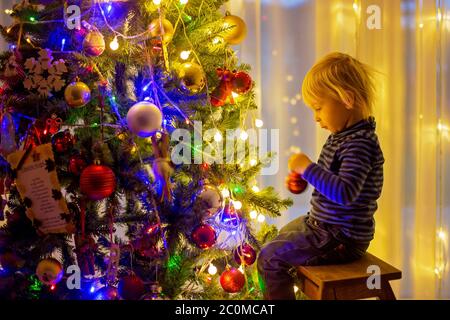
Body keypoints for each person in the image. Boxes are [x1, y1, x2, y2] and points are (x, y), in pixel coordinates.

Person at [257, 52, 384, 300]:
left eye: (318, 108)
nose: (316, 117)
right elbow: (332, 179)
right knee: (276, 239)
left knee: (269, 258)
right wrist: (304, 180)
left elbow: (345, 193)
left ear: (347, 99)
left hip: (340, 237)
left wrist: (308, 168)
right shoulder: (343, 136)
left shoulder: (360, 144)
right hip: (323, 225)